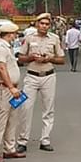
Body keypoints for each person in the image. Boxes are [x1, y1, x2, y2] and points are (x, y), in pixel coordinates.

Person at [19, 13, 65, 152]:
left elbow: (61, 60)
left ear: (49, 26)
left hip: (48, 76)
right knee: (26, 108)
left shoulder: (54, 39)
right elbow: (21, 58)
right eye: (42, 23)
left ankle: (45, 139)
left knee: (48, 109)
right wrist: (31, 57)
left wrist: (49, 58)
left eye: (47, 24)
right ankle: (22, 141)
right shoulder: (28, 38)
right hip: (31, 76)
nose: (44, 26)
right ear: (37, 24)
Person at [0, 21, 23, 162]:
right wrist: (10, 86)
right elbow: (2, 68)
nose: (15, 36)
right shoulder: (1, 48)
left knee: (13, 119)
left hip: (12, 87)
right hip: (5, 88)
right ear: (9, 35)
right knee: (1, 120)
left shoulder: (7, 47)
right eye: (14, 34)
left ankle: (9, 148)